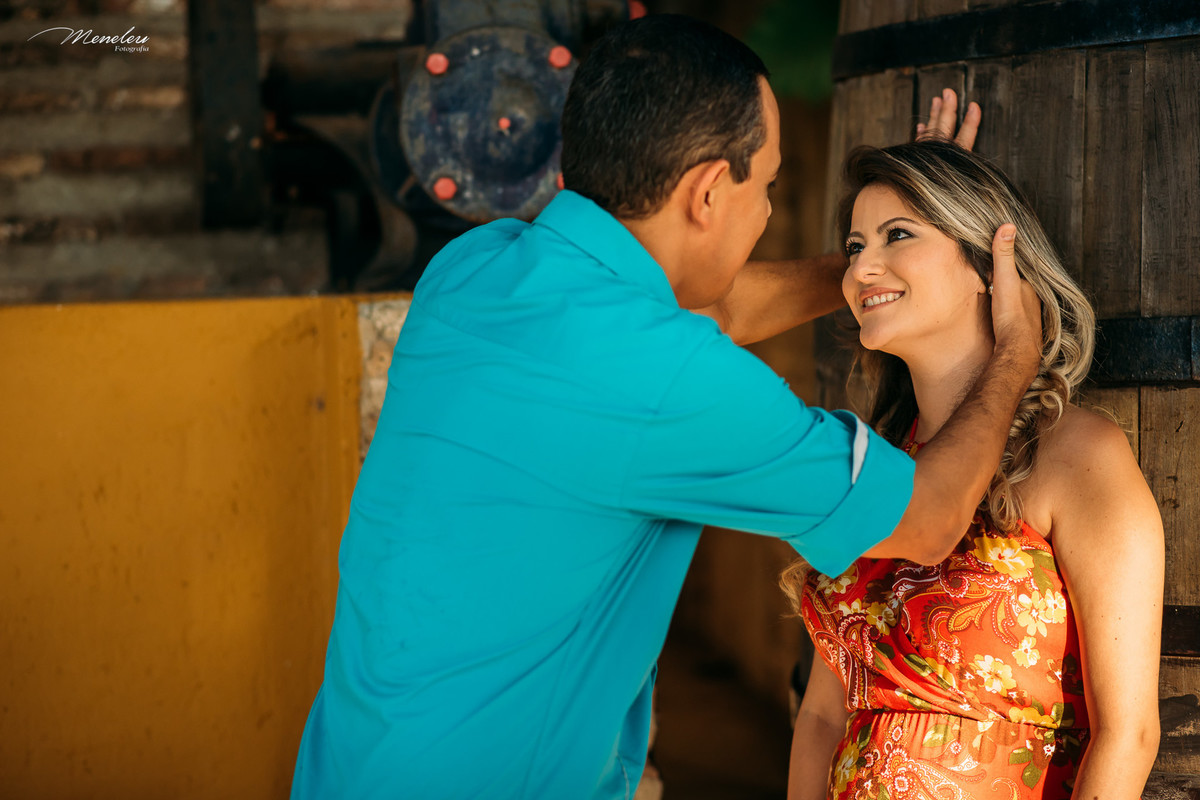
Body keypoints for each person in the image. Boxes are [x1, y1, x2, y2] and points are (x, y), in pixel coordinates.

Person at [290, 15, 1040, 800]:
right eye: (769, 188)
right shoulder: (671, 380)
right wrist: (1015, 356)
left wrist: (875, 270)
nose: (766, 213)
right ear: (709, 191)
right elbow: (929, 517)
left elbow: (700, 317)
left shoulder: (473, 271)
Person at [780, 140, 1163, 799]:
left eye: (897, 234)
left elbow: (1128, 735)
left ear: (988, 264)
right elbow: (820, 714)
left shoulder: (1077, 455)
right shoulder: (876, 467)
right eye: (853, 247)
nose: (862, 267)